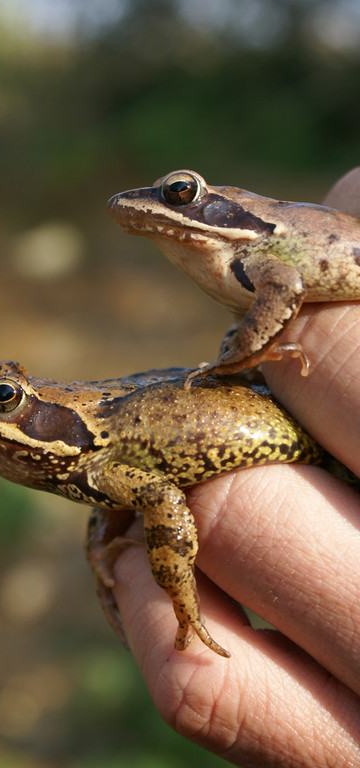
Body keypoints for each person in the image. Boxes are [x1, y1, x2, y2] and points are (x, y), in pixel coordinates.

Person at [111, 167, 360, 767]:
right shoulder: (223, 263)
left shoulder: (255, 255)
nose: (156, 205)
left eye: (179, 196)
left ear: (213, 208)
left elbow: (287, 283)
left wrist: (234, 361)